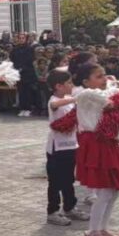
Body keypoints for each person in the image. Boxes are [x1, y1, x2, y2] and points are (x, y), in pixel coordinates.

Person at [73, 64, 119, 236]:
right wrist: (116, 90)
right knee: (105, 191)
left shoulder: (102, 92)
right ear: (85, 81)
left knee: (114, 191)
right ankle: (92, 232)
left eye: (104, 75)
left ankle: (102, 228)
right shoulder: (84, 94)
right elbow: (103, 99)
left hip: (107, 142)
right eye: (99, 76)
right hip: (95, 143)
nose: (104, 79)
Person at [45, 70, 88, 226]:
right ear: (58, 86)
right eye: (69, 83)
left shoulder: (69, 100)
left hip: (71, 146)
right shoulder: (54, 100)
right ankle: (53, 211)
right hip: (57, 148)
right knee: (55, 181)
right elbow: (55, 105)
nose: (72, 85)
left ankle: (70, 207)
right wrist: (75, 99)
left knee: (68, 179)